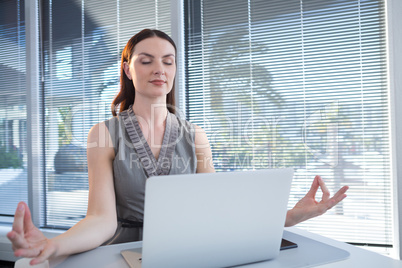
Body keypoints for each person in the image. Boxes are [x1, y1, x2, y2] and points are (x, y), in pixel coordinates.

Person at [7, 29, 349, 265]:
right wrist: (53, 245)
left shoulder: (195, 135)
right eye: (147, 60)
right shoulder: (104, 134)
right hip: (125, 251)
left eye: (168, 60)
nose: (160, 68)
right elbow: (101, 219)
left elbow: (218, 211)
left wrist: (289, 217)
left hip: (186, 251)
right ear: (127, 68)